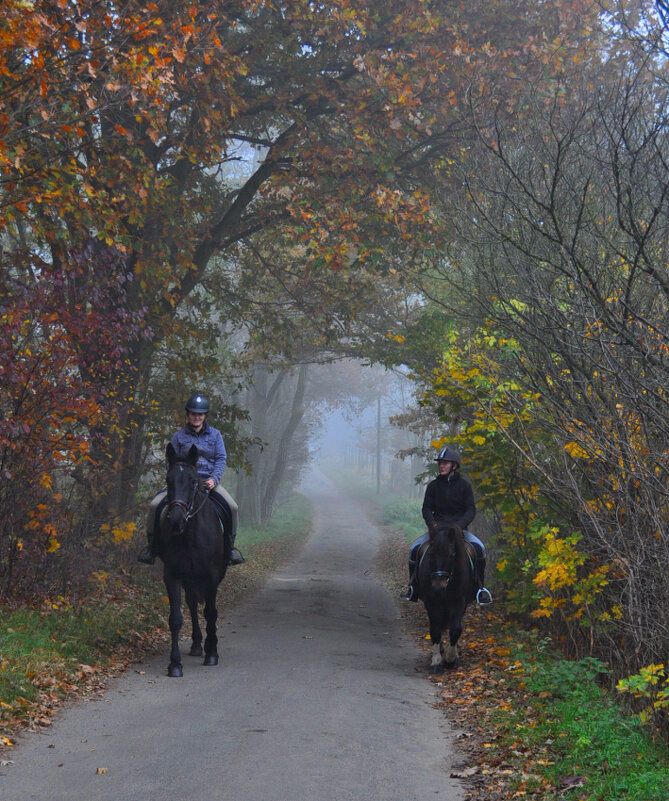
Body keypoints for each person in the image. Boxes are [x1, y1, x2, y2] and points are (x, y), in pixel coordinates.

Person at [138, 393, 244, 566]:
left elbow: (221, 459)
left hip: (207, 482)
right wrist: (178, 479)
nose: (197, 416)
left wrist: (214, 479)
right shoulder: (179, 437)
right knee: (154, 505)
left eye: (200, 414)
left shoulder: (215, 436)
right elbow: (170, 461)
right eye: (193, 413)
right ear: (188, 415)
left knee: (232, 507)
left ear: (204, 416)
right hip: (183, 484)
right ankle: (152, 548)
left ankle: (230, 548)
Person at [400, 446, 492, 605]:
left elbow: (470, 509)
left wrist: (460, 525)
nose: (442, 466)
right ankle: (413, 587)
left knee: (480, 548)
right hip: (437, 530)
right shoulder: (433, 486)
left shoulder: (464, 486)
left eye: (445, 463)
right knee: (414, 549)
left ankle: (480, 589)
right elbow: (427, 508)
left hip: (459, 530)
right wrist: (432, 524)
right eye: (440, 463)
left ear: (454, 466)